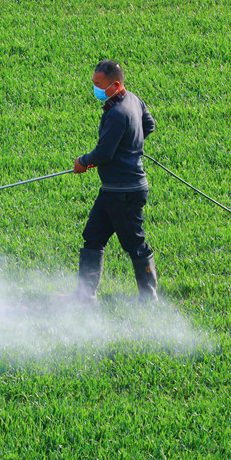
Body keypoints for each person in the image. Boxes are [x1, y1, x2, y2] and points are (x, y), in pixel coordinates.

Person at [64, 59, 158, 304]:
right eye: (93, 83)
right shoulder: (133, 100)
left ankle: (149, 299)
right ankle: (84, 297)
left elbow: (104, 153)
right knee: (93, 236)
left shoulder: (117, 113)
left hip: (125, 192)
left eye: (99, 84)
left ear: (115, 84)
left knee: (135, 244)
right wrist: (131, 147)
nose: (95, 88)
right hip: (112, 190)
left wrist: (83, 161)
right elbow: (149, 125)